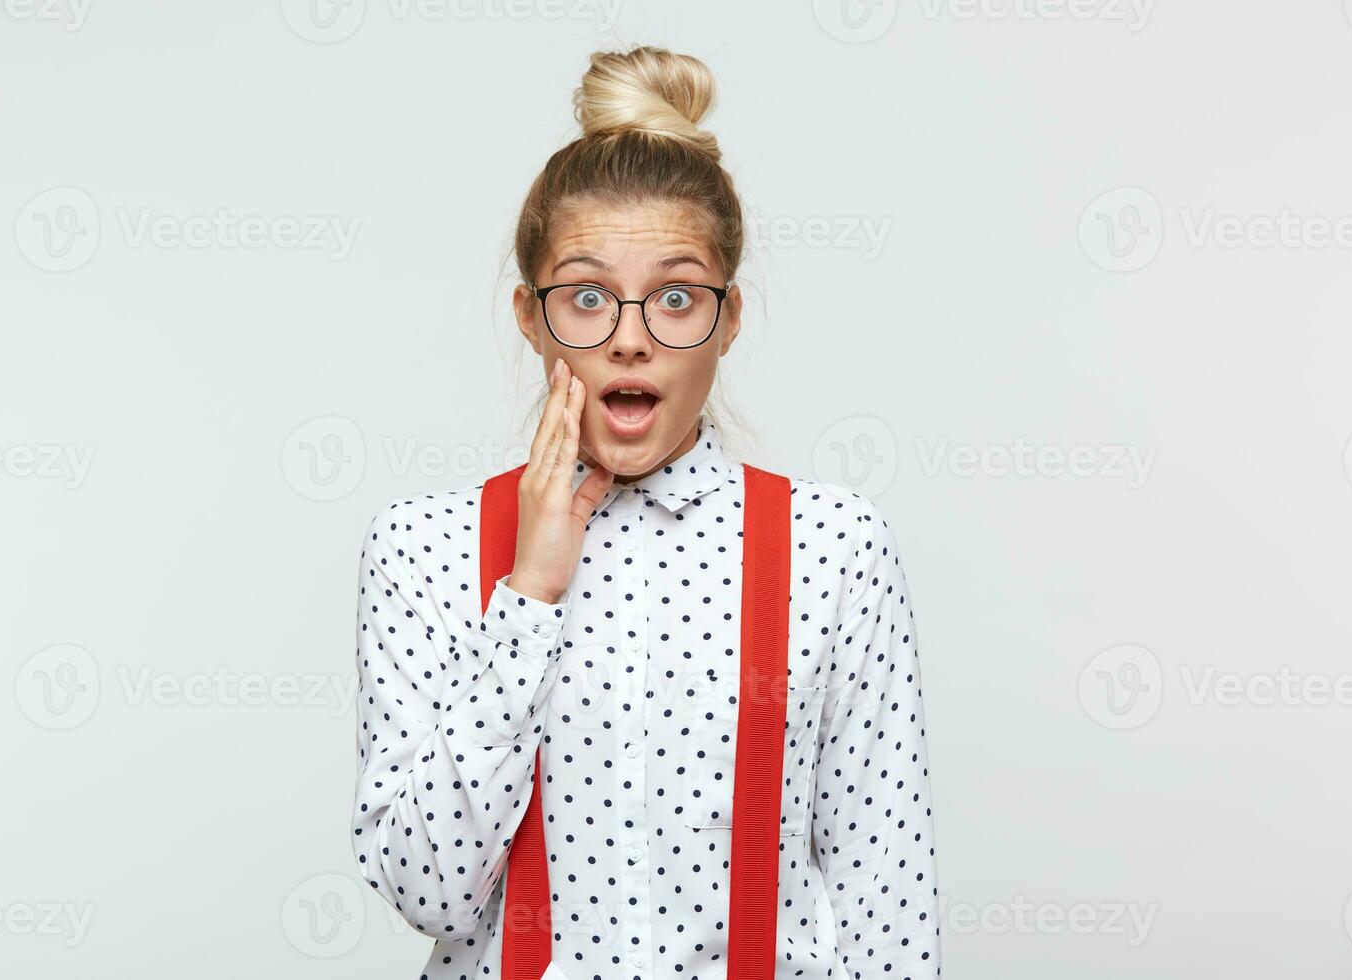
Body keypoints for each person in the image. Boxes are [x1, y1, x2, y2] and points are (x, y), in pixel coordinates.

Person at [351, 44, 939, 980]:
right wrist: (531, 593)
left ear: (730, 316)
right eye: (586, 298)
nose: (630, 339)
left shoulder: (834, 548)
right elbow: (427, 888)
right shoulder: (424, 548)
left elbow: (887, 907)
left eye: (675, 297)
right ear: (530, 316)